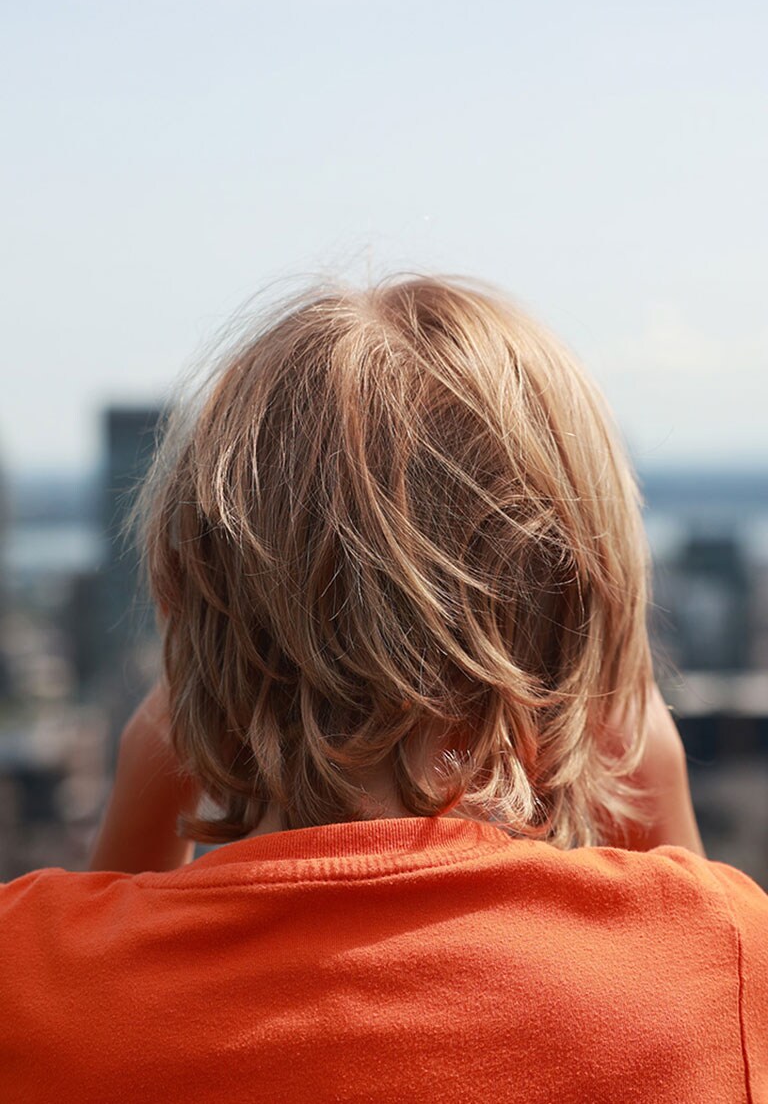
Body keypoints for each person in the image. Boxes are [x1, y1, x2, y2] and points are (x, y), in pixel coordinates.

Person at [2, 275, 766, 1103]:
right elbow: (709, 1002)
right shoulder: (726, 955)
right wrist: (661, 794)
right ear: (578, 642)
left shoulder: (25, 973)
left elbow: (80, 1010)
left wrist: (144, 790)